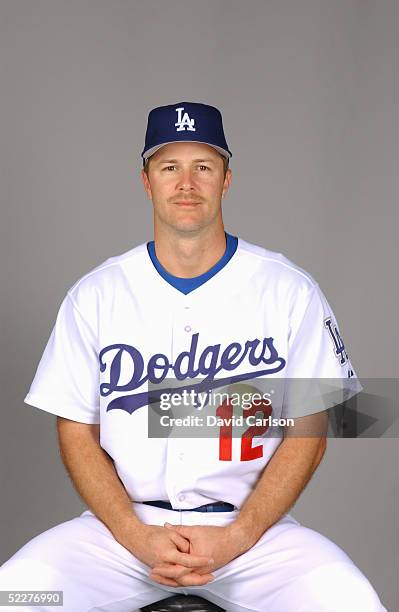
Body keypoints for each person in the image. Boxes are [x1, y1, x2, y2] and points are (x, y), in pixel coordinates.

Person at [0, 102, 387, 612]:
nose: (187, 183)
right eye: (169, 167)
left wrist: (241, 535)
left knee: (350, 602)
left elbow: (311, 428)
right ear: (147, 182)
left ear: (226, 179)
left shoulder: (287, 289)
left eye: (203, 166)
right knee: (20, 595)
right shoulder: (97, 294)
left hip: (253, 537)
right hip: (120, 535)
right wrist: (134, 535)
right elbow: (75, 429)